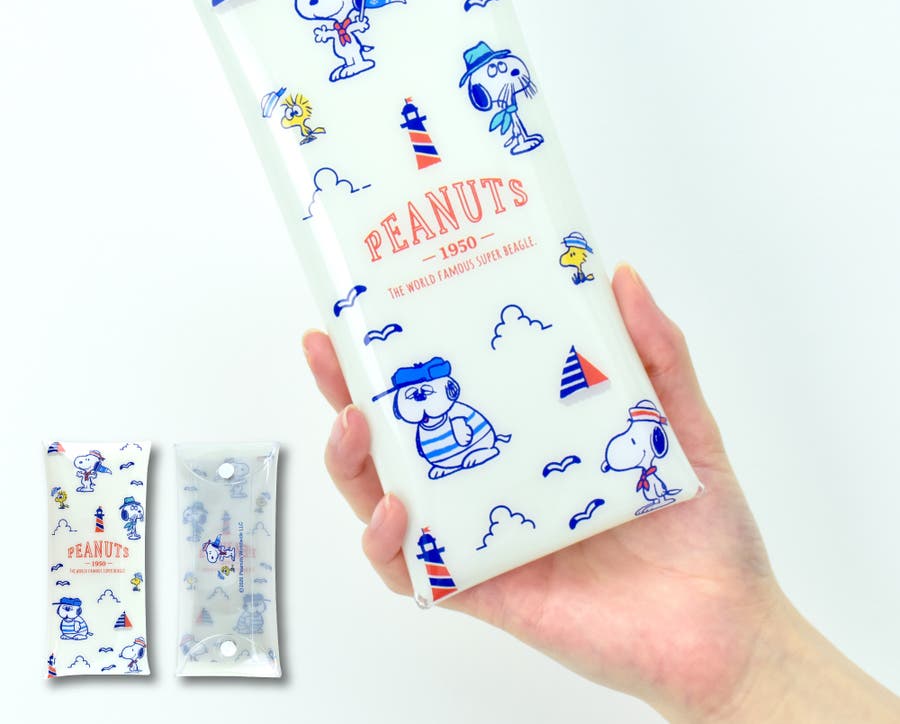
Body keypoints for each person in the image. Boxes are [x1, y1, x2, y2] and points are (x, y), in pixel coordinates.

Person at [302, 265, 900, 723]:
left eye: (427, 393)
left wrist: (739, 656)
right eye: (413, 398)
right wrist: (736, 669)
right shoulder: (424, 423)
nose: (421, 403)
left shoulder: (470, 412)